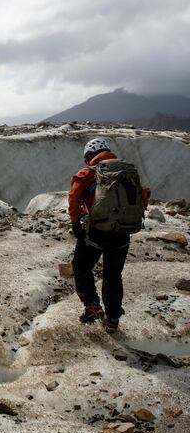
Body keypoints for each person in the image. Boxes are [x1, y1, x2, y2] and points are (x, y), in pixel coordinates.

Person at [69, 138, 149, 333]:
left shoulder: (89, 171)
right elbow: (142, 199)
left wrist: (74, 222)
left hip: (97, 231)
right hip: (122, 232)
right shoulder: (127, 171)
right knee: (113, 275)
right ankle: (113, 319)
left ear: (89, 156)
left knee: (81, 265)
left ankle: (92, 306)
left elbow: (74, 195)